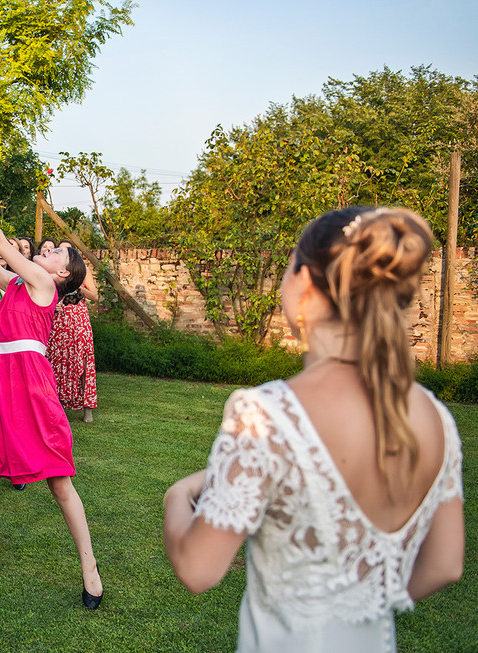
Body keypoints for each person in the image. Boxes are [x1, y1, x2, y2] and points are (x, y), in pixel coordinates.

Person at [162, 207, 464, 652]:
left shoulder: (264, 413)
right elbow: (444, 565)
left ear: (303, 281)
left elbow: (197, 568)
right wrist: (356, 604)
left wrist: (176, 496)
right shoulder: (437, 417)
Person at [0, 175, 102, 608]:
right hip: (0, 383)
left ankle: (90, 569)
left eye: (55, 252)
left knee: (60, 484)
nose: (46, 250)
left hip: (31, 386)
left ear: (62, 273)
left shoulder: (44, 287)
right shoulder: (17, 284)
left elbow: (2, 246)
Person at [47, 240, 98, 422]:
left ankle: (88, 407)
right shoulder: (52, 272)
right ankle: (56, 405)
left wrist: (78, 288)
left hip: (78, 319)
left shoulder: (82, 271)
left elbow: (95, 295)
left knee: (82, 361)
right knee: (57, 360)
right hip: (57, 320)